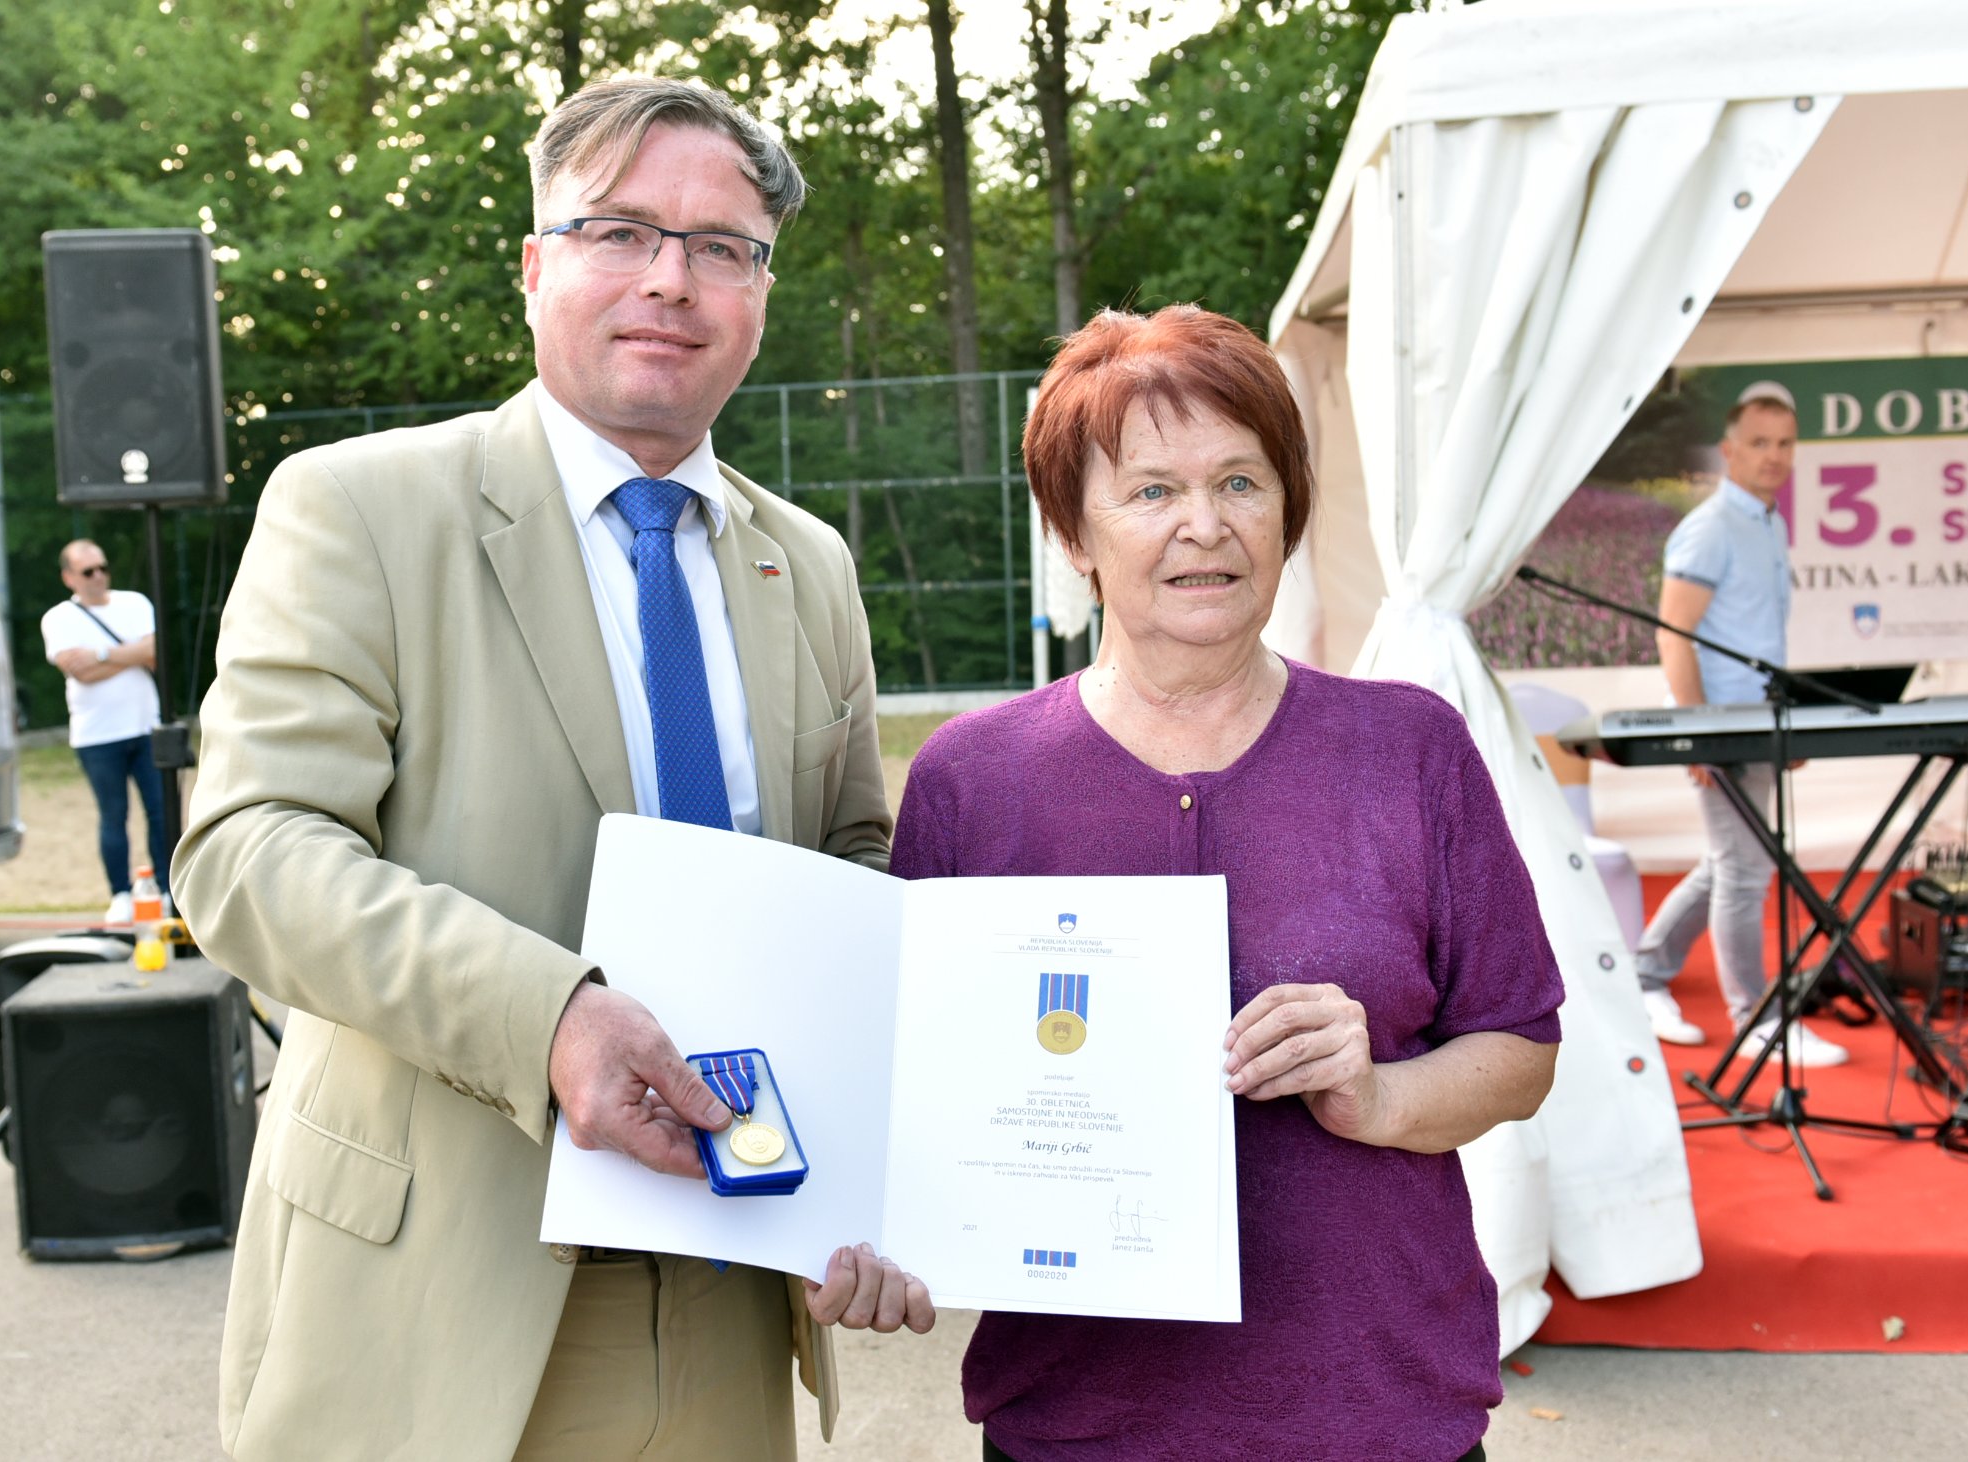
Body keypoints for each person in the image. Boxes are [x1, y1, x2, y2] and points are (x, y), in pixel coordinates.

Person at [175, 77, 931, 1462]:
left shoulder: (810, 565)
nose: (671, 279)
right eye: (620, 230)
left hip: (730, 1294)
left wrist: (890, 1174)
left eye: (721, 247)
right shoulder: (358, 506)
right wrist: (552, 1019)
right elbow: (250, 851)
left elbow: (848, 869)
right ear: (534, 266)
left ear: (761, 294)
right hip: (433, 1312)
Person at [890, 305, 1564, 1462]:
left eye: (1240, 483)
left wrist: (1380, 1096)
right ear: (1072, 531)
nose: (1203, 525)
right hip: (1078, 1425)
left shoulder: (1408, 748)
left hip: (1378, 1415)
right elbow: (911, 1093)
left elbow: (1521, 1047)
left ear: (1287, 510)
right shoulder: (973, 779)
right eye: (1150, 490)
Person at [1634, 384, 1849, 1068]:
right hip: (1721, 728)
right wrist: (1699, 732)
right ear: (1728, 450)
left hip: (1759, 725)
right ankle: (1758, 1020)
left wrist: (1784, 727)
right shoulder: (1710, 528)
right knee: (1744, 868)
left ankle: (1643, 974)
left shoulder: (1769, 523)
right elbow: (1674, 635)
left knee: (1733, 859)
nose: (1774, 456)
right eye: (1759, 443)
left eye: (1784, 443)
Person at [40, 538, 169, 923]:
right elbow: (80, 673)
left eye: (102, 567)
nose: (98, 576)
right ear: (69, 578)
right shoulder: (58, 618)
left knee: (161, 811)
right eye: (87, 571)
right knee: (113, 815)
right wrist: (132, 655)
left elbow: (155, 653)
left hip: (146, 727)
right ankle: (120, 893)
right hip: (97, 735)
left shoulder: (135, 603)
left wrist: (99, 654)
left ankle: (166, 889)